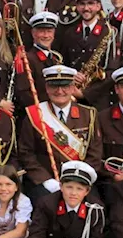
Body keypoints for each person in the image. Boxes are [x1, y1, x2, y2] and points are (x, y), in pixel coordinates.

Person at [17, 65, 104, 200]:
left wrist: (78, 180)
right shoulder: (34, 114)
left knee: (96, 207)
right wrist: (47, 181)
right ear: (46, 88)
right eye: (54, 86)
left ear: (72, 88)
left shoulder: (89, 115)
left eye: (65, 86)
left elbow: (95, 153)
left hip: (80, 181)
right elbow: (26, 153)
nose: (59, 91)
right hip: (45, 183)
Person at [16, 160, 106, 238]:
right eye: (69, 187)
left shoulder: (95, 208)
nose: (73, 193)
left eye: (79, 189)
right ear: (61, 186)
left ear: (87, 191)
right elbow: (34, 237)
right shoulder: (46, 203)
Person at [13, 11, 62, 109]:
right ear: (33, 33)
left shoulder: (55, 59)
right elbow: (23, 94)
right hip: (38, 113)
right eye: (41, 31)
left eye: (49, 31)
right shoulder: (27, 59)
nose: (46, 35)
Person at [56, 0, 109, 72]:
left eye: (90, 3)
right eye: (82, 4)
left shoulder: (108, 32)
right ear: (76, 6)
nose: (86, 8)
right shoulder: (70, 33)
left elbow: (111, 69)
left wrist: (92, 86)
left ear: (98, 6)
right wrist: (72, 76)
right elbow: (63, 63)